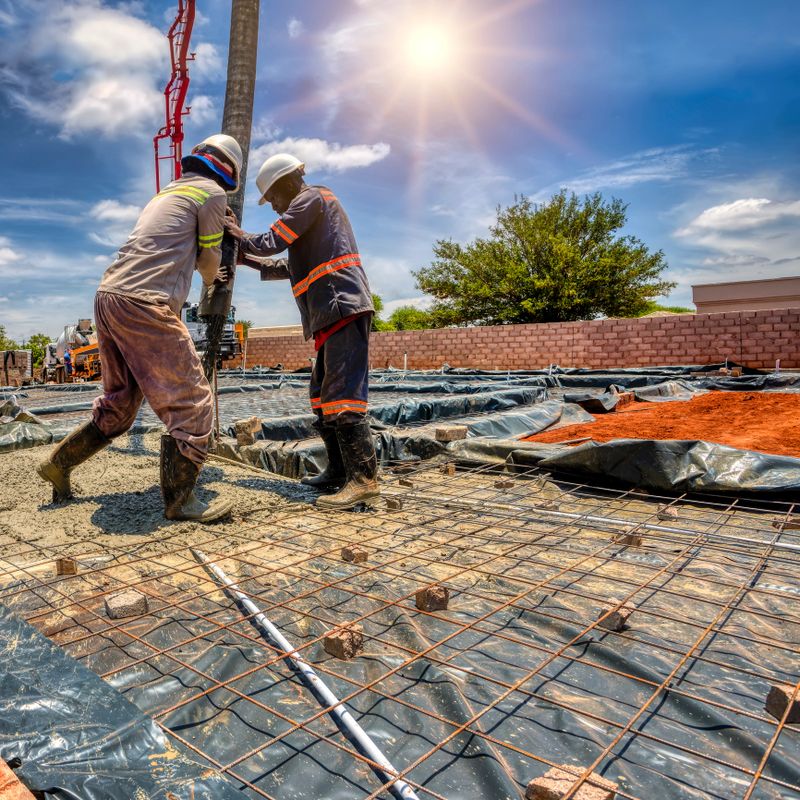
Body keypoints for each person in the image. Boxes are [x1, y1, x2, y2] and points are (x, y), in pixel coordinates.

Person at [37, 134, 242, 522]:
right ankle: (181, 500)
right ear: (229, 170)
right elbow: (208, 265)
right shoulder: (213, 195)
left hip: (109, 296)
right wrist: (217, 266)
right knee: (193, 399)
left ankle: (58, 464)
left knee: (121, 404)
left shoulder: (165, 195)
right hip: (146, 303)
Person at [225, 153, 379, 509]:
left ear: (286, 185)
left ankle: (364, 480)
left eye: (273, 199)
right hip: (329, 313)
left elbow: (272, 240)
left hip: (341, 304)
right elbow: (286, 263)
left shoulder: (312, 198)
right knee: (322, 397)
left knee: (343, 396)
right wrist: (246, 258)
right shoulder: (310, 217)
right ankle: (340, 472)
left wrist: (237, 235)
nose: (275, 208)